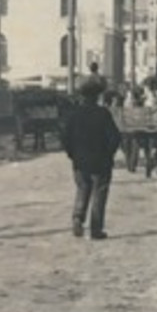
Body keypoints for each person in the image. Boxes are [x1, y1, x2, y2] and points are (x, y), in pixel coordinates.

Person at [60, 77, 122, 240]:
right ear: (97, 97)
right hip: (101, 162)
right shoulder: (103, 114)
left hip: (80, 162)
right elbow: (115, 137)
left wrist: (72, 154)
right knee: (99, 193)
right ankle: (96, 229)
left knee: (82, 189)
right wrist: (109, 154)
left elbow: (65, 138)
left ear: (81, 96)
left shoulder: (74, 115)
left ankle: (78, 218)